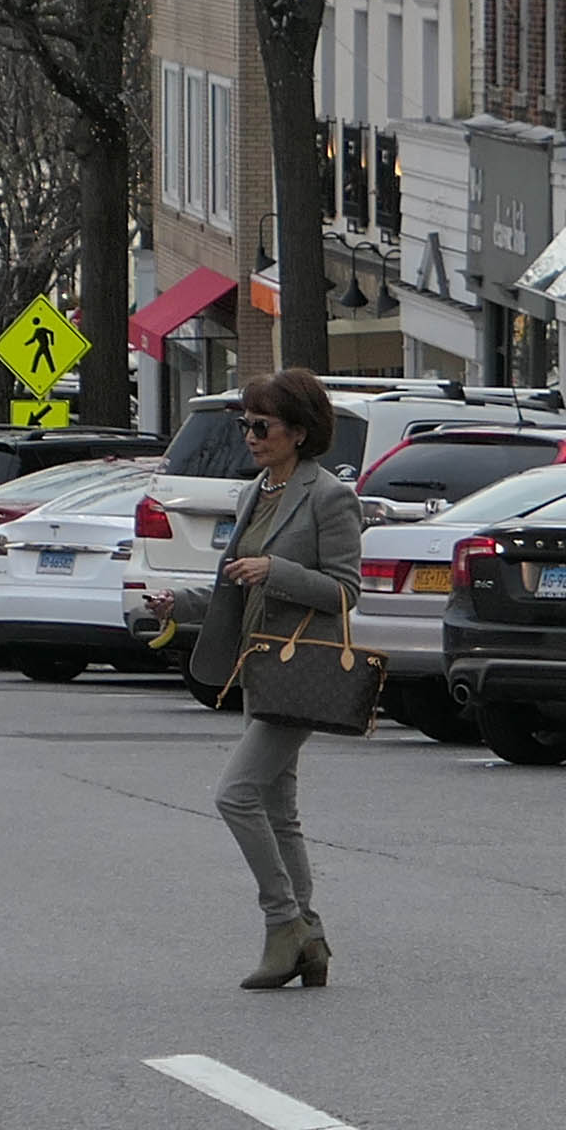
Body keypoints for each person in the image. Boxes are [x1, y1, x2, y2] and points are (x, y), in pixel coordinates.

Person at [184, 369, 365, 990]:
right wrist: (173, 606)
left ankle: (282, 923)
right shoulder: (254, 493)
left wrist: (276, 569)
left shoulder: (328, 497)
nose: (251, 437)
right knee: (277, 807)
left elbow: (345, 591)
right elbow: (232, 581)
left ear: (299, 431)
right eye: (246, 425)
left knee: (234, 795)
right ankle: (309, 940)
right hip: (257, 665)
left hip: (302, 669)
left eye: (261, 426)